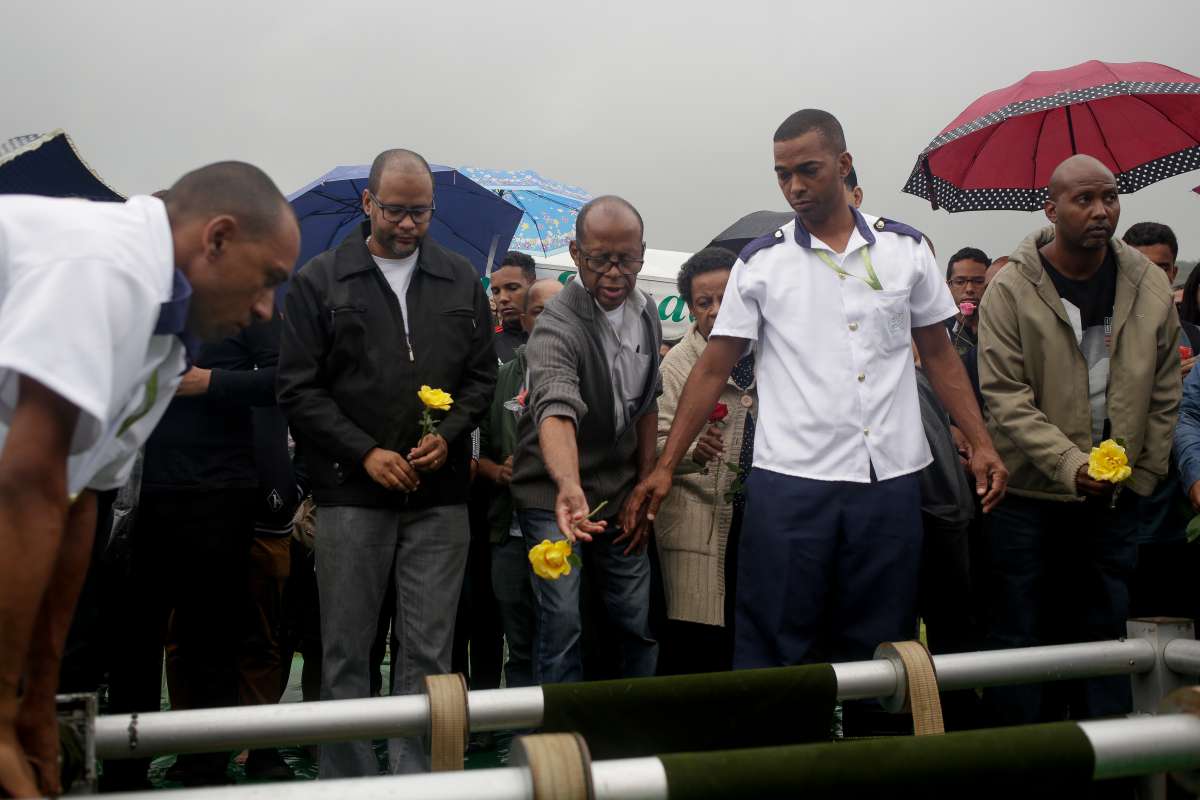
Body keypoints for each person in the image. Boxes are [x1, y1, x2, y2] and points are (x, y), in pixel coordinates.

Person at [628, 109, 1006, 679]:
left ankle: (868, 759)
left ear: (844, 164)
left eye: (808, 170)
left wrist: (980, 442)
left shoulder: (906, 251)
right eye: (783, 175)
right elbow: (711, 368)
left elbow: (940, 355)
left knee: (882, 645)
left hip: (888, 480)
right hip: (791, 484)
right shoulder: (761, 262)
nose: (795, 187)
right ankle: (784, 761)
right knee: (778, 641)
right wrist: (664, 465)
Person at [0, 162, 298, 798]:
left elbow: (81, 501)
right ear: (216, 238)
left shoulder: (163, 349)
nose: (265, 309)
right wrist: (3, 712)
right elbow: (29, 484)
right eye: (268, 280)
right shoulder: (107, 267)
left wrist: (38, 704)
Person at [277, 148, 496, 777]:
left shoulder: (460, 279)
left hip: (439, 495)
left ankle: (416, 779)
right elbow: (297, 390)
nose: (407, 224)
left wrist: (450, 435)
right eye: (396, 211)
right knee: (346, 649)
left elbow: (482, 378)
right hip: (351, 495)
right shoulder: (320, 280)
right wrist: (364, 452)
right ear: (368, 203)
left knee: (429, 651)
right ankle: (347, 780)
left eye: (420, 212)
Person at [978, 154, 1180, 725]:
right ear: (1051, 208)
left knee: (1106, 638)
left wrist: (1142, 474)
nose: (1100, 212)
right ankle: (1025, 762)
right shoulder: (1010, 289)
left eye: (1110, 198)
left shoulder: (1145, 282)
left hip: (1113, 500)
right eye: (1083, 200)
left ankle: (1108, 767)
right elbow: (1005, 396)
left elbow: (1165, 386)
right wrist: (1070, 464)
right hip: (1029, 499)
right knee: (1021, 636)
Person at [103, 316, 288, 789]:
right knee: (131, 645)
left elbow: (283, 377)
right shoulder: (138, 293)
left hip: (219, 492)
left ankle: (205, 767)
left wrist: (211, 382)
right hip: (133, 494)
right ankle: (125, 770)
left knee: (211, 639)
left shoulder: (245, 300)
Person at [510, 195, 662, 683]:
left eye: (628, 260)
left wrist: (645, 482)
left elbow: (647, 405)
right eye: (600, 261)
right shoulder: (556, 324)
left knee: (634, 619)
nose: (615, 274)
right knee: (562, 621)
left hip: (619, 494)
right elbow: (555, 408)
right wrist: (569, 485)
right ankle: (558, 737)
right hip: (554, 493)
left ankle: (633, 730)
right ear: (576, 254)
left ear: (642, 252)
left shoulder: (647, 313)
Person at [653, 246, 752, 676]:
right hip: (696, 524)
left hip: (759, 523)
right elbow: (653, 446)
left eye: (725, 298)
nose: (715, 311)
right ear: (691, 309)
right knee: (693, 647)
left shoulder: (770, 355)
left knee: (748, 638)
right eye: (703, 302)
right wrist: (691, 454)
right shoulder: (677, 365)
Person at [478, 278, 564, 689]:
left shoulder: (585, 373)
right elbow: (477, 446)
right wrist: (495, 470)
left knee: (561, 634)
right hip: (508, 528)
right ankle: (517, 731)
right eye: (540, 312)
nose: (548, 321)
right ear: (524, 320)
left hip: (562, 530)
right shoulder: (501, 379)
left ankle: (556, 725)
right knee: (519, 639)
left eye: (557, 311)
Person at [490, 251, 537, 364]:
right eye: (496, 291)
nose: (502, 298)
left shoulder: (560, 341)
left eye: (512, 288)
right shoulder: (485, 345)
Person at [944, 247, 991, 356]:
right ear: (948, 287)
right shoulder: (938, 331)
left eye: (978, 281)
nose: (969, 289)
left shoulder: (1000, 327)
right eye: (960, 282)